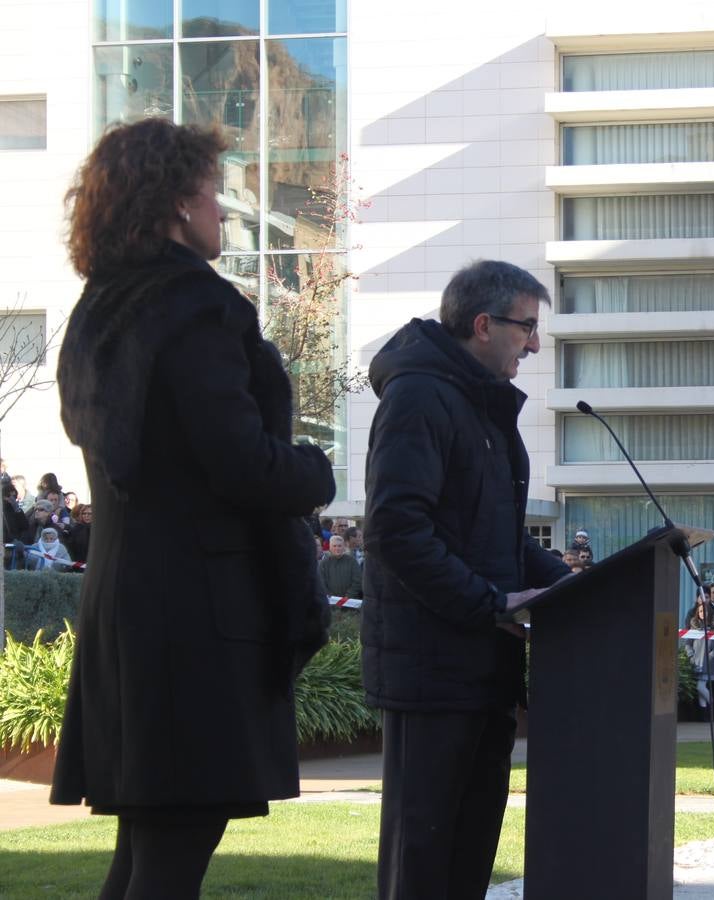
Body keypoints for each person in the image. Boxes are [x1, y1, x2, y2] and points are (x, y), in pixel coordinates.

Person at [50, 118, 335, 898]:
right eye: (214, 194)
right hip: (197, 614)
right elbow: (240, 464)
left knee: (147, 847)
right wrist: (318, 470)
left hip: (125, 601)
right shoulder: (196, 306)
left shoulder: (98, 312)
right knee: (170, 854)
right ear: (178, 203)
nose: (223, 211)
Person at [362, 259, 571, 897]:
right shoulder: (420, 397)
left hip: (486, 670)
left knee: (469, 856)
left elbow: (501, 541)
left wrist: (574, 588)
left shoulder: (486, 409)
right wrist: (490, 603)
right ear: (483, 325)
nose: (535, 344)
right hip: (433, 672)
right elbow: (397, 531)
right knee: (423, 859)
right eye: (526, 328)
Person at [685, 584, 714, 711]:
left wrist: (712, 655)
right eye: (701, 611)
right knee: (700, 690)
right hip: (696, 661)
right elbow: (688, 643)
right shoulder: (694, 627)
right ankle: (704, 711)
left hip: (708, 662)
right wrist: (690, 655)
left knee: (700, 686)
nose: (703, 613)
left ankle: (712, 705)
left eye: (705, 611)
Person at [317, 533, 363, 600]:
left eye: (339, 546)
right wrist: (330, 597)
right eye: (334, 546)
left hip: (350, 602)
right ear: (330, 547)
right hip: (331, 602)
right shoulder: (324, 563)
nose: (337, 548)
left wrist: (348, 596)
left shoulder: (352, 561)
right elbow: (321, 582)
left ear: (344, 547)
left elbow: (357, 580)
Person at [65, 504, 93, 568]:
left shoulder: (98, 529)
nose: (86, 516)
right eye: (84, 513)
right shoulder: (76, 528)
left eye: (89, 514)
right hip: (78, 563)